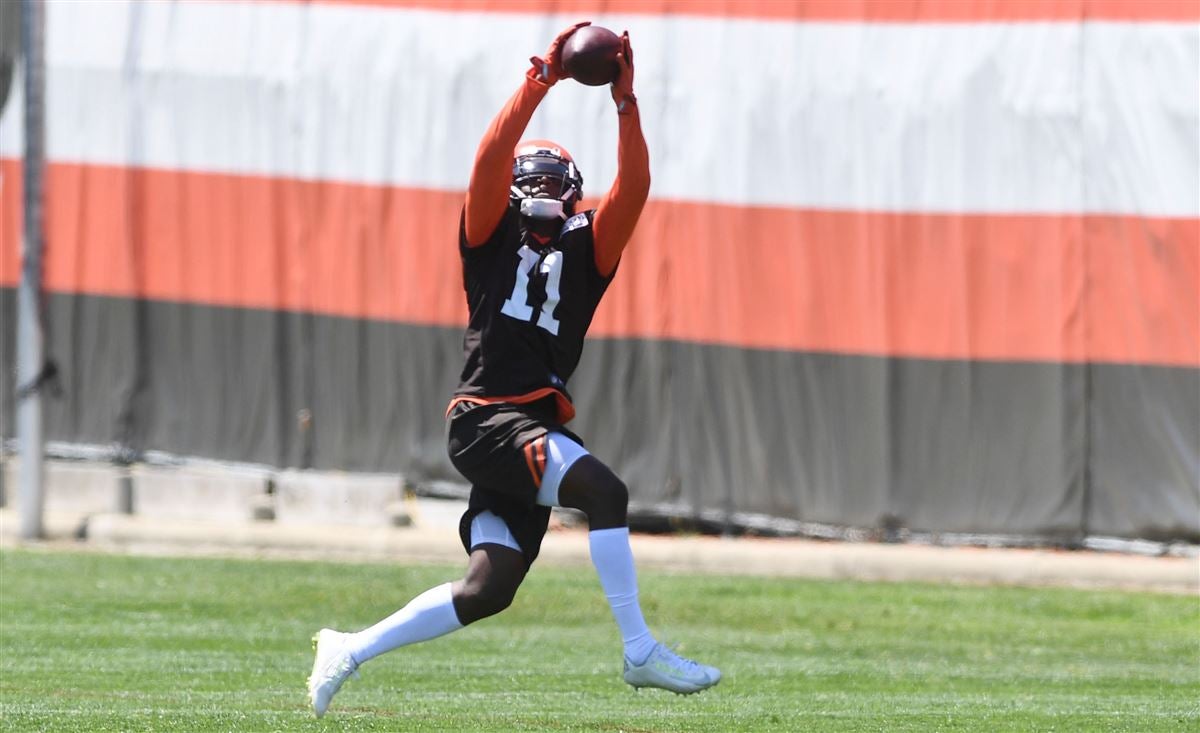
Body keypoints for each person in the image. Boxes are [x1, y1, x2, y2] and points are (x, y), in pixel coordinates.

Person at [307, 22, 720, 718]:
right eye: (537, 178)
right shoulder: (489, 237)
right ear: (517, 188)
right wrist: (541, 79)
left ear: (575, 193)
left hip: (522, 425)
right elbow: (490, 160)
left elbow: (637, 185)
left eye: (561, 181)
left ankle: (347, 647)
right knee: (605, 491)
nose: (547, 188)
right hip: (487, 417)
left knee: (486, 589)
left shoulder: (588, 249)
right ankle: (640, 649)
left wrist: (626, 101)